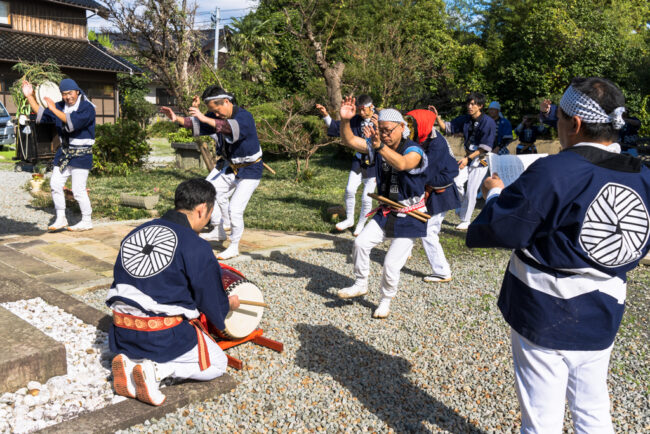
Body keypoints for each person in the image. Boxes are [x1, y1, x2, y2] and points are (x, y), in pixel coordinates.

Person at [467, 77, 650, 433]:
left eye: (559, 119)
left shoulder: (555, 170)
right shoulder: (643, 174)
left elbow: (505, 228)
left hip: (545, 306)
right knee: (592, 406)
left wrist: (494, 194)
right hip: (606, 303)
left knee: (541, 416)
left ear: (575, 123)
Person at [107, 178, 240, 406]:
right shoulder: (195, 246)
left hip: (121, 333)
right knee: (218, 363)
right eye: (209, 214)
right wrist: (227, 305)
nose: (207, 220)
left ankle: (130, 364)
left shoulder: (137, 232)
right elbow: (210, 300)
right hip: (159, 337)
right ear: (201, 210)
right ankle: (158, 370)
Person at [335, 97, 428, 318]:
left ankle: (386, 299)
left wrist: (379, 146)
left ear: (402, 128)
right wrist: (345, 120)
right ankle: (361, 283)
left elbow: (403, 164)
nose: (384, 134)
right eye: (380, 130)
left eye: (388, 130)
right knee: (360, 243)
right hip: (386, 210)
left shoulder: (415, 150)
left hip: (411, 214)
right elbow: (350, 141)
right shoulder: (377, 145)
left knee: (391, 264)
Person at [161, 86, 263, 260]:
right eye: (212, 112)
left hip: (251, 169)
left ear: (226, 102)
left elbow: (228, 128)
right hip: (231, 168)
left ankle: (234, 246)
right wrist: (176, 118)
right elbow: (198, 123)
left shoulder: (244, 116)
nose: (216, 114)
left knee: (235, 208)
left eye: (217, 110)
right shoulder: (216, 116)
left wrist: (203, 117)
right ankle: (218, 229)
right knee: (211, 192)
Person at [22, 78, 96, 231]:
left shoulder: (87, 107)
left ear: (77, 91)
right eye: (64, 94)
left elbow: (72, 122)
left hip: (82, 154)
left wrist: (54, 109)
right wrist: (30, 96)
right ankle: (61, 218)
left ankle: (87, 220)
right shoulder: (61, 105)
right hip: (64, 153)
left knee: (78, 190)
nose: (68, 97)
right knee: (55, 184)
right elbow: (41, 114)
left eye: (70, 93)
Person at [405, 109, 460, 283]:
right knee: (412, 219)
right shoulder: (422, 138)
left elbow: (425, 172)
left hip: (439, 191)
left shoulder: (437, 144)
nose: (410, 126)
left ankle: (442, 271)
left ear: (423, 124)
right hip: (430, 187)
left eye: (413, 122)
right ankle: (403, 252)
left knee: (429, 231)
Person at [430, 92, 496, 231]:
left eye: (473, 104)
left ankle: (466, 220)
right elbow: (447, 127)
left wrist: (468, 159)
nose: (470, 106)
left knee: (471, 189)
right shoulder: (466, 119)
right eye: (469, 103)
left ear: (480, 106)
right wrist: (437, 117)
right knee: (456, 182)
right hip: (467, 157)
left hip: (480, 159)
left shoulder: (488, 122)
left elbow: (485, 147)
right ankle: (460, 207)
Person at [316, 95, 377, 235]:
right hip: (358, 160)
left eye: (364, 110)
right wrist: (325, 115)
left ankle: (361, 223)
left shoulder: (380, 119)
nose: (361, 113)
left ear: (371, 107)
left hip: (375, 163)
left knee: (367, 197)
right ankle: (350, 219)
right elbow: (337, 127)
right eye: (359, 110)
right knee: (349, 190)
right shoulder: (355, 120)